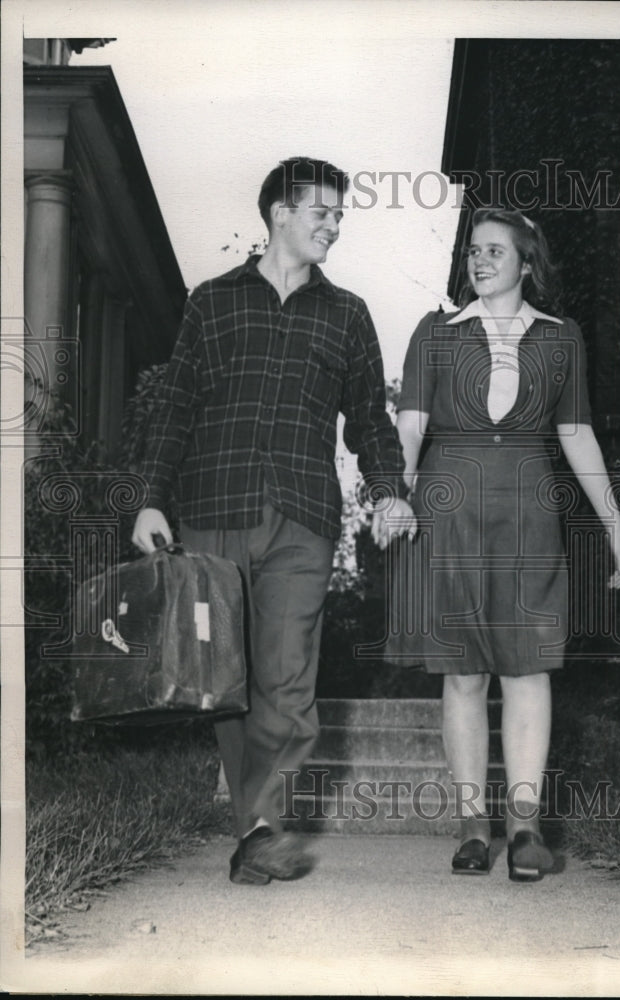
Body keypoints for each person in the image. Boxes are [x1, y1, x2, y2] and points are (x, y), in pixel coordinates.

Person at [132, 157, 415, 885]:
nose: (334, 224)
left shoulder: (346, 312)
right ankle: (253, 825)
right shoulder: (211, 303)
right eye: (321, 211)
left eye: (340, 214)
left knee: (287, 673)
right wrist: (150, 498)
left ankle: (261, 825)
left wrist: (388, 490)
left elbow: (371, 421)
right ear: (279, 213)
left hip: (302, 514)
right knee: (227, 680)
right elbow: (176, 409)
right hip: (211, 510)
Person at [381, 208, 620, 880]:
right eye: (473, 251)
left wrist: (612, 520)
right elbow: (409, 429)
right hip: (449, 509)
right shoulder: (436, 333)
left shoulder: (561, 340)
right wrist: (396, 496)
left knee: (528, 669)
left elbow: (577, 435)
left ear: (527, 264)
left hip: (529, 513)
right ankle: (472, 827)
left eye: (496, 251)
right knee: (464, 672)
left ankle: (525, 829)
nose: (480, 260)